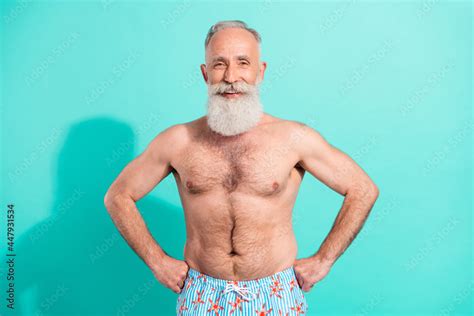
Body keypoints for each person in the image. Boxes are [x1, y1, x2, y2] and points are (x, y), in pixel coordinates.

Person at [104, 20, 379, 315]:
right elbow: (118, 196)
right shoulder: (177, 141)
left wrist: (324, 259)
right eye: (219, 65)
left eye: (243, 63)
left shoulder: (294, 137)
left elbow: (362, 189)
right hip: (203, 293)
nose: (231, 77)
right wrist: (157, 261)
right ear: (205, 73)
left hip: (275, 293)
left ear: (260, 72)